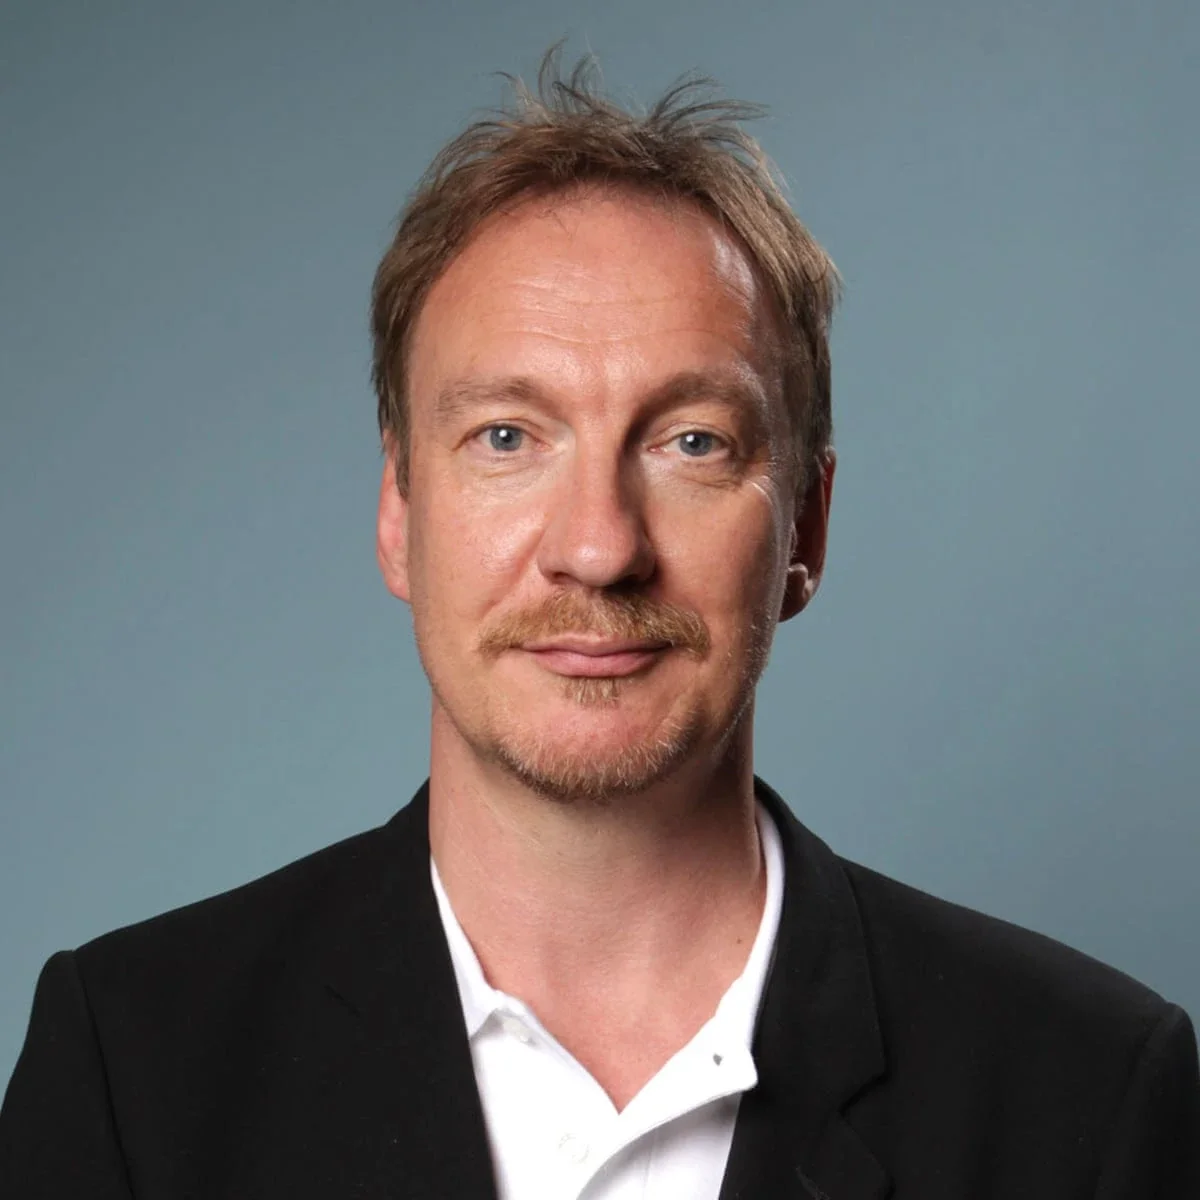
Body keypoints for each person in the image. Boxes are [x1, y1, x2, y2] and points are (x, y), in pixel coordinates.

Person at [2, 53, 1197, 1200]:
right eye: (508, 438)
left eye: (692, 443)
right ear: (397, 512)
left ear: (806, 530)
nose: (597, 545)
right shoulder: (134, 1067)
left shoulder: (1089, 1095)